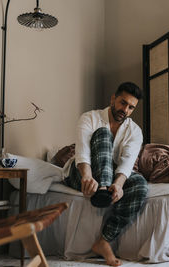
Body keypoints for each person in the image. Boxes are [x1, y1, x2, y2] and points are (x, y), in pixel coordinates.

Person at [63, 82, 148, 266]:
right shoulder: (89, 118)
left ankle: (104, 241)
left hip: (110, 174)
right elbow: (83, 152)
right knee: (103, 133)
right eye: (122, 103)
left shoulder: (135, 132)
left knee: (140, 184)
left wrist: (118, 185)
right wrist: (87, 175)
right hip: (83, 172)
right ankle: (102, 190)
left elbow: (126, 164)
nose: (125, 109)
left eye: (131, 107)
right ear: (113, 99)